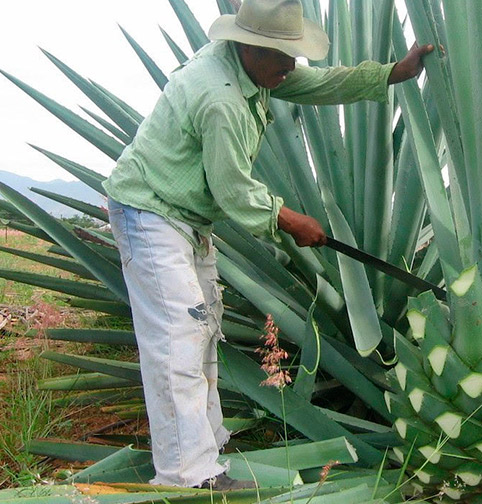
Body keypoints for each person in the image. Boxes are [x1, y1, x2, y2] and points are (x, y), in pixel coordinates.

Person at [103, 0, 433, 490]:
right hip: (150, 213)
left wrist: (390, 75)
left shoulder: (253, 67)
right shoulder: (221, 99)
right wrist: (289, 218)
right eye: (283, 55)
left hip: (185, 217)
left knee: (201, 329)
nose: (291, 66)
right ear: (250, 45)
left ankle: (205, 453)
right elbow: (233, 191)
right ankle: (184, 477)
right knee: (177, 340)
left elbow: (315, 83)